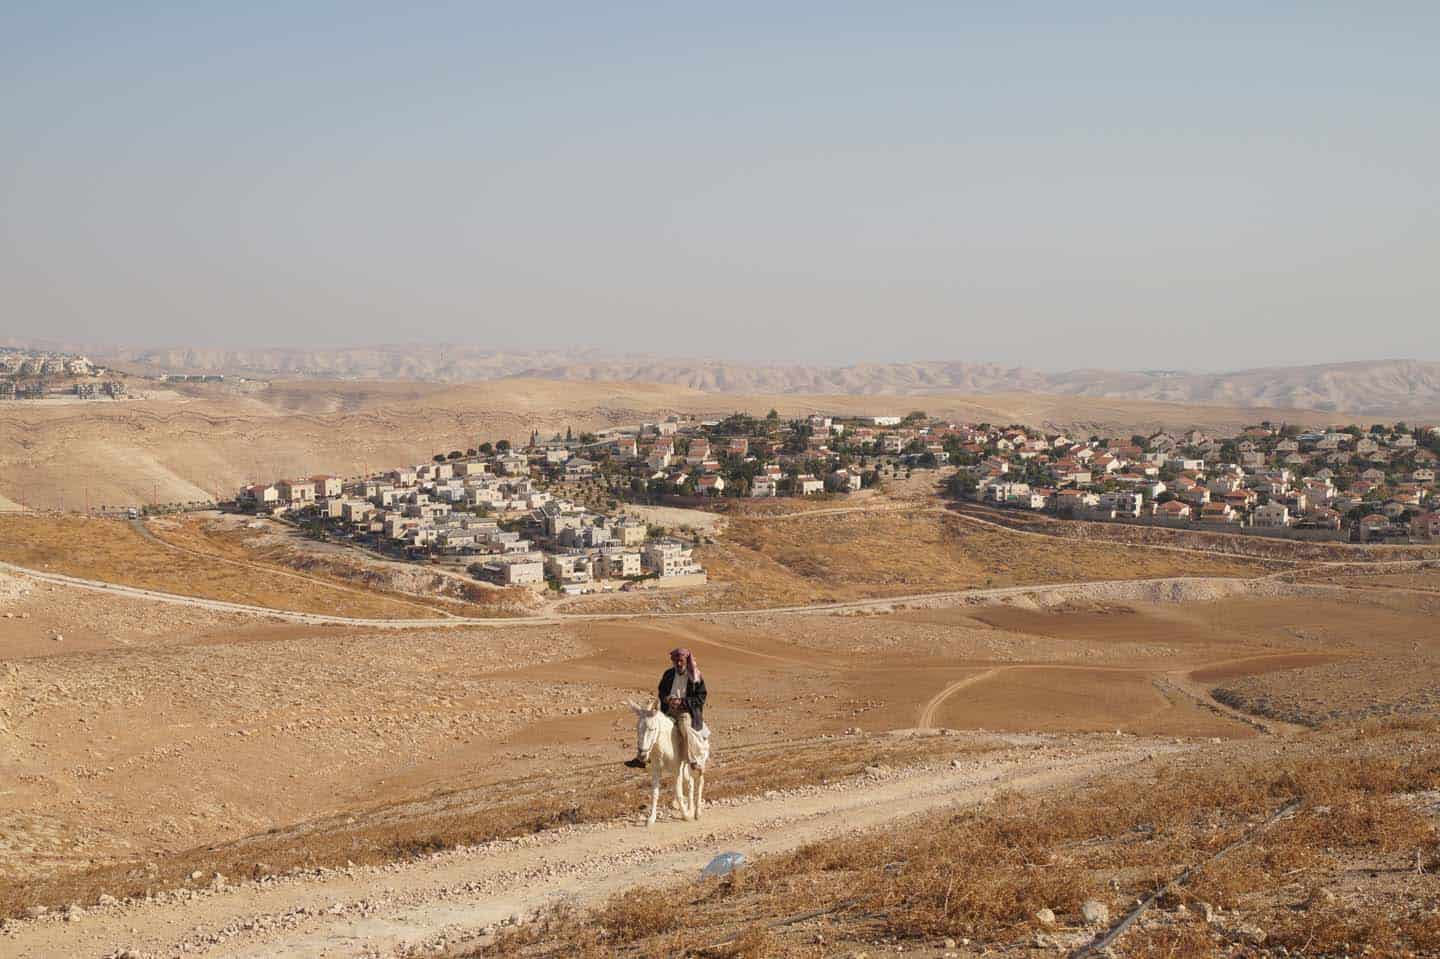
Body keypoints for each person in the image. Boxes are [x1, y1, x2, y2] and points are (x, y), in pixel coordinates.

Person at [624, 647, 707, 769]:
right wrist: (667, 699)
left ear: (686, 661)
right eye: (676, 661)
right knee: (648, 725)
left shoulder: (695, 677)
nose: (678, 663)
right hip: (667, 710)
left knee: (685, 728)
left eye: (681, 661)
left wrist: (682, 702)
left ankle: (692, 758)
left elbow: (701, 698)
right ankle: (642, 758)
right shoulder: (668, 674)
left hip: (685, 711)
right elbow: (661, 691)